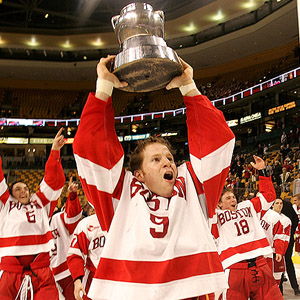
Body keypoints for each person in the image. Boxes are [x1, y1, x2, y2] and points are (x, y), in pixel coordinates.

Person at [73, 55, 235, 300]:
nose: (167, 162)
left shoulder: (193, 186)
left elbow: (216, 141)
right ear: (139, 174)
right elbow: (91, 148)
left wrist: (189, 88)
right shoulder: (122, 194)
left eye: (169, 158)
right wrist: (104, 87)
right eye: (156, 160)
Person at [0, 128, 65, 300]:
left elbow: (53, 180)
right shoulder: (5, 204)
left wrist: (55, 152)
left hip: (41, 270)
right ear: (11, 193)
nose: (24, 191)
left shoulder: (40, 202)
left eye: (26, 188)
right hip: (10, 271)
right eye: (18, 189)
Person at [211, 155, 283, 300]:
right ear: (219, 204)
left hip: (261, 264)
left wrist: (262, 171)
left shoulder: (248, 205)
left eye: (233, 197)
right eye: (228, 198)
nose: (233, 199)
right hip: (235, 268)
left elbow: (268, 196)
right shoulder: (215, 216)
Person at [50, 177, 82, 300]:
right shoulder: (36, 221)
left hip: (67, 272)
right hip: (49, 275)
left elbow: (72, 216)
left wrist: (72, 195)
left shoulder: (59, 217)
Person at [67, 206, 106, 300]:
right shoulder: (87, 224)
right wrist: (77, 280)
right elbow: (75, 253)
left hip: (119, 279)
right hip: (93, 280)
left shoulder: (126, 221)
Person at [261, 198, 290, 287]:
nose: (279, 205)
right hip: (263, 252)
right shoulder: (265, 215)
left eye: (281, 203)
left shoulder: (286, 220)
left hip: (275, 252)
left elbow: (284, 238)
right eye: (277, 203)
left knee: (276, 280)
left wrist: (280, 252)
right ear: (272, 205)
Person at [279, 197, 300, 295]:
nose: (279, 205)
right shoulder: (287, 205)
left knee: (282, 262)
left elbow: (295, 219)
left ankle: (292, 288)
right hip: (287, 239)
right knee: (286, 262)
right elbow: (295, 219)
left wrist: (290, 232)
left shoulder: (270, 208)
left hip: (284, 240)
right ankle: (294, 288)